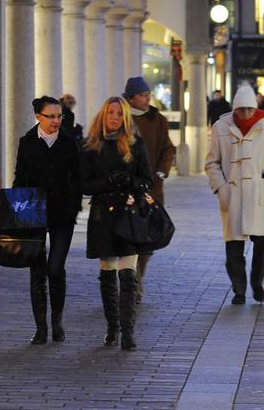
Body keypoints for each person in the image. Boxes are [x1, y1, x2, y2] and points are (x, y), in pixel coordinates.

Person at [79, 96, 153, 350]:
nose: (114, 117)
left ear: (125, 118)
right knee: (108, 272)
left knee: (128, 273)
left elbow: (147, 179)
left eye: (119, 114)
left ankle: (128, 331)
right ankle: (112, 329)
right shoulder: (90, 146)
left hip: (128, 213)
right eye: (110, 112)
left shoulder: (135, 144)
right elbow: (83, 184)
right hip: (102, 214)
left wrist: (130, 181)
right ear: (103, 115)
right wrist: (107, 182)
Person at [206, 84, 264, 304]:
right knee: (233, 245)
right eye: (242, 109)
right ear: (235, 109)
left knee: (263, 242)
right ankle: (239, 289)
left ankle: (257, 282)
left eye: (250, 108)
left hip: (260, 191)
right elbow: (212, 162)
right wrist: (220, 186)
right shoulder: (221, 126)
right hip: (232, 192)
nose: (247, 113)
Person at [14, 96, 82, 345]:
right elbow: (20, 179)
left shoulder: (69, 142)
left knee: (55, 267)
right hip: (34, 213)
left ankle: (57, 321)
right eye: (51, 116)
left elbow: (77, 179)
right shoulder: (27, 142)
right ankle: (40, 327)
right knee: (37, 270)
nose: (56, 121)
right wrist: (17, 213)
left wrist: (73, 208)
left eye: (59, 116)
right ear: (38, 117)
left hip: (62, 215)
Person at [124, 76, 176, 303]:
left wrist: (162, 172)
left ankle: (137, 277)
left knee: (147, 239)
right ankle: (124, 278)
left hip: (151, 189)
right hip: (124, 190)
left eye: (148, 95)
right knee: (124, 236)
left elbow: (167, 148)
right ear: (131, 98)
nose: (147, 99)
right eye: (143, 95)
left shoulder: (158, 119)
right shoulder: (119, 117)